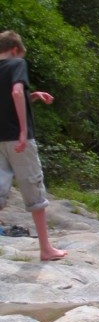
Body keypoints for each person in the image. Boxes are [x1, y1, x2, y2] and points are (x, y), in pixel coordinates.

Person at [0, 30, 67, 261]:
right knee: (34, 192)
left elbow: (10, 99)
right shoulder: (17, 63)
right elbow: (16, 92)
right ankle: (46, 249)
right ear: (15, 49)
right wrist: (21, 130)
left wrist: (34, 96)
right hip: (19, 141)